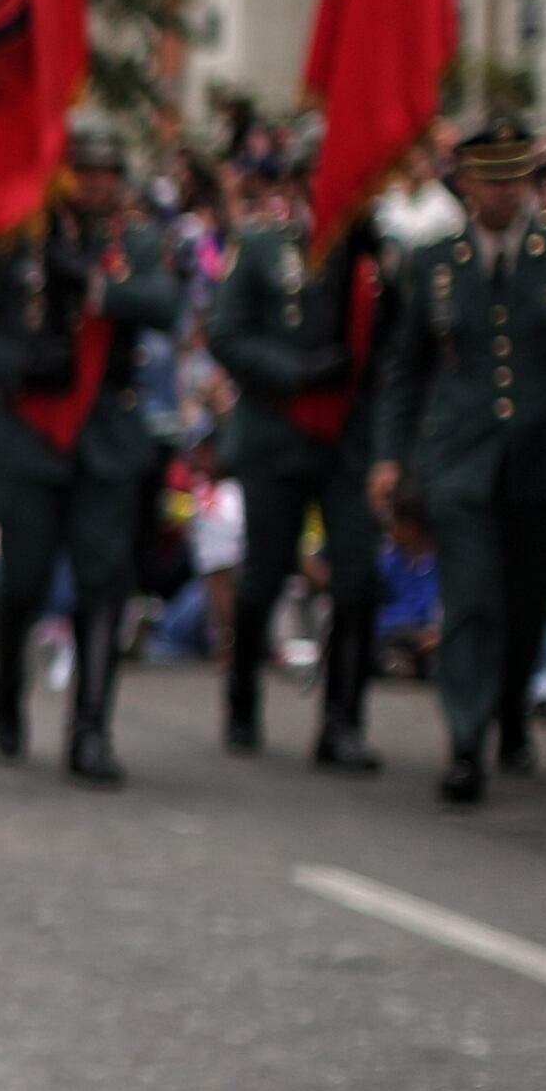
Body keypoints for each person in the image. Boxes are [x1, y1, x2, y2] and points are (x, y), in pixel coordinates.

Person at [0, 117, 181, 782]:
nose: (95, 184)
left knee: (103, 583)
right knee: (23, 578)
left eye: (107, 173)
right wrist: (18, 366)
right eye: (84, 171)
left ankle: (90, 730)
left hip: (105, 435)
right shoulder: (15, 240)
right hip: (30, 433)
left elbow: (166, 303)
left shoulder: (134, 241)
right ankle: (8, 691)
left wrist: (98, 288)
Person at [370, 123, 546, 802]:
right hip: (461, 458)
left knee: (528, 600)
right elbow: (406, 369)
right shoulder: (433, 261)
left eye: (516, 178)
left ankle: (511, 713)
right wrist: (390, 456)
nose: (505, 192)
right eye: (492, 179)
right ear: (466, 184)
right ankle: (466, 741)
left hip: (545, 454)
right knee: (471, 598)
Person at [210, 187, 391, 766]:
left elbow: (399, 351)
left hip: (350, 442)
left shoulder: (377, 257)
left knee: (357, 579)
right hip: (277, 435)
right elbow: (226, 334)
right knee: (265, 574)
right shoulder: (264, 247)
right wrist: (296, 371)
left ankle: (343, 721)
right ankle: (242, 697)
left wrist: (382, 272)